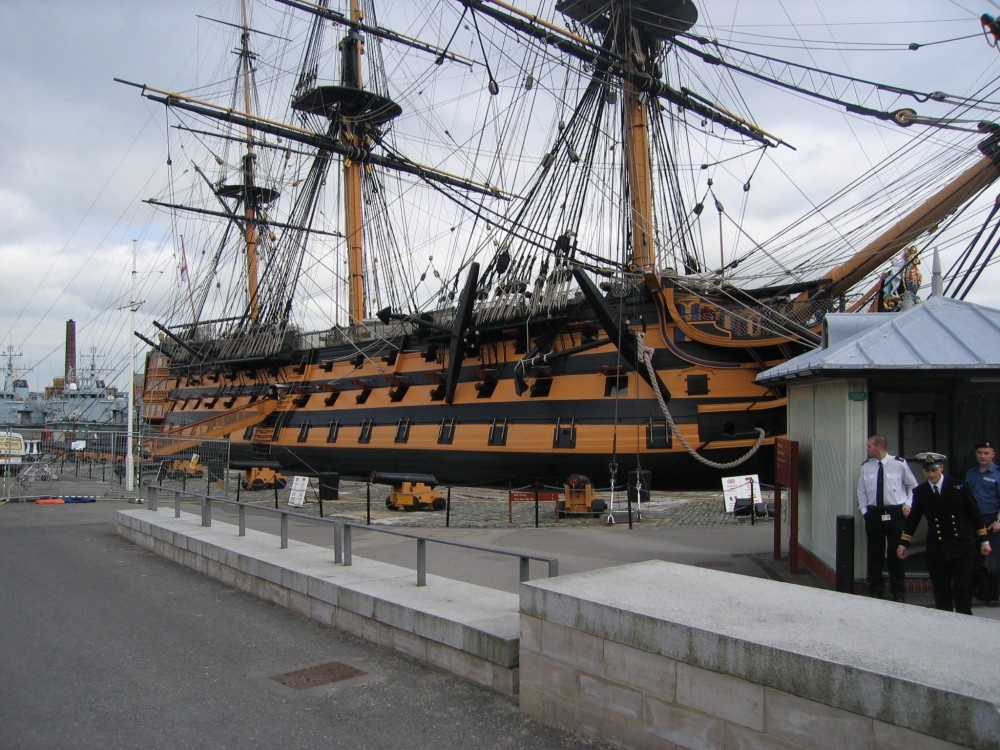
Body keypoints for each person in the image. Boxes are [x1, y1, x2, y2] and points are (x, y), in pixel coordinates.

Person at [897, 452, 991, 614]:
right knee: (941, 587)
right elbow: (913, 519)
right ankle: (944, 620)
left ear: (941, 468)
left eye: (934, 470)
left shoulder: (958, 486)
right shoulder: (921, 492)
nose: (931, 474)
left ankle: (965, 619)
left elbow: (974, 514)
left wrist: (984, 541)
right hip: (938, 546)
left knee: (962, 586)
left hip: (962, 544)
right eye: (927, 471)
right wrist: (904, 543)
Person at [857, 434, 917, 600]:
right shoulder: (866, 466)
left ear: (878, 447)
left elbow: (913, 486)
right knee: (875, 552)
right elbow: (861, 490)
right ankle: (876, 588)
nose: (867, 449)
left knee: (896, 552)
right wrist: (864, 512)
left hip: (895, 513)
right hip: (874, 514)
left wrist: (908, 504)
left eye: (869, 446)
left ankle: (897, 590)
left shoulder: (899, 464)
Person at [965, 440, 1000, 605]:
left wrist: (998, 521)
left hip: (991, 520)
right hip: (972, 520)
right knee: (972, 557)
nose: (982, 456)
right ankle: (973, 592)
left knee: (992, 560)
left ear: (993, 454)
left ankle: (992, 594)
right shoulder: (970, 473)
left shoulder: (998, 474)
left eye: (986, 453)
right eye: (980, 453)